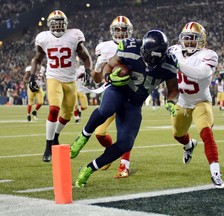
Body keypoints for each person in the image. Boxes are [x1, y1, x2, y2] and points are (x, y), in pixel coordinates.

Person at [70, 30, 179, 188]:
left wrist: (170, 101)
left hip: (134, 104)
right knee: (106, 109)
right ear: (143, 50)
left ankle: (89, 169)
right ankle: (82, 138)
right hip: (118, 91)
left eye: (157, 57)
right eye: (150, 56)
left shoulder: (169, 63)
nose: (152, 60)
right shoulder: (130, 48)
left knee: (126, 143)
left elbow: (173, 89)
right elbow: (109, 65)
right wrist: (108, 77)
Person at [28, 10, 92, 162]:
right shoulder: (44, 38)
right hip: (53, 77)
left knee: (67, 115)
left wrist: (88, 70)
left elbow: (86, 57)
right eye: (55, 23)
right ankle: (48, 146)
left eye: (60, 23)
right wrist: (32, 76)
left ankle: (55, 137)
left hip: (70, 80)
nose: (57, 27)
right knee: (54, 108)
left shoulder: (73, 36)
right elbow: (37, 60)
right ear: (49, 25)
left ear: (66, 24)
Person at [169, 21, 224, 188]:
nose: (188, 42)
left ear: (201, 40)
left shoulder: (209, 55)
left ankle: (215, 173)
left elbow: (201, 73)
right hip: (182, 102)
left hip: (201, 101)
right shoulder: (174, 50)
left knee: (206, 132)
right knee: (178, 134)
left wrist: (178, 63)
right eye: (186, 38)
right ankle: (189, 145)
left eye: (193, 38)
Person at [91, 16, 134, 178]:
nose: (121, 33)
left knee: (125, 133)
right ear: (112, 31)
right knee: (99, 132)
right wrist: (97, 67)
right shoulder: (105, 47)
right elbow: (96, 80)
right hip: (112, 94)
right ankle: (111, 154)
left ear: (129, 31)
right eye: (118, 29)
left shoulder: (135, 46)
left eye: (124, 29)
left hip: (129, 94)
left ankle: (124, 166)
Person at [74, 57, 88, 124]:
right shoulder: (70, 69)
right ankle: (76, 118)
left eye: (76, 61)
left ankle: (80, 111)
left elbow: (85, 74)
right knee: (75, 105)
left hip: (81, 88)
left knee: (84, 106)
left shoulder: (82, 68)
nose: (75, 63)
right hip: (73, 89)